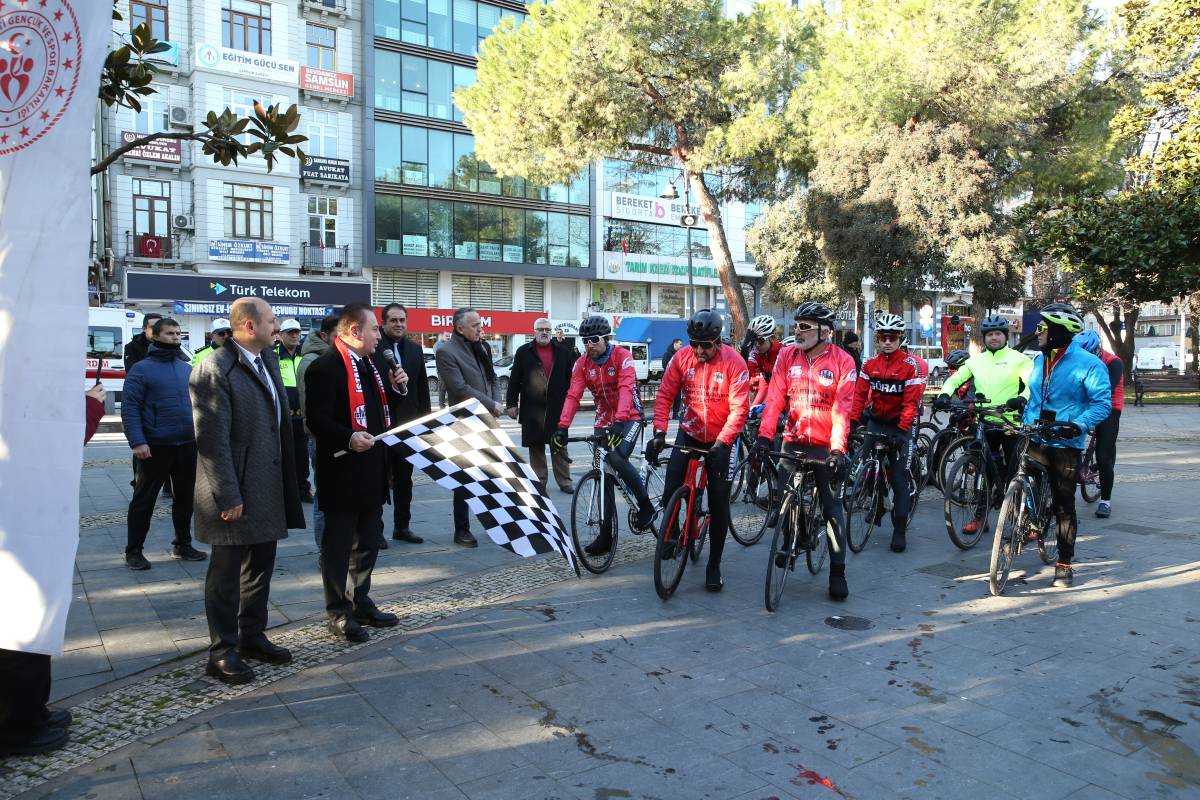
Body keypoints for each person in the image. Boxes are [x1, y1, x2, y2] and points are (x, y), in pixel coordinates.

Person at [190, 297, 306, 684]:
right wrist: (228, 495)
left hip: (266, 484)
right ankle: (221, 651)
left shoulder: (267, 360)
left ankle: (252, 636)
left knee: (260, 568)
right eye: (272, 322)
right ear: (250, 327)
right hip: (234, 490)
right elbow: (212, 440)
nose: (279, 328)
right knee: (225, 575)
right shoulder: (215, 367)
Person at [0, 386, 109, 756]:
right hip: (15, 526)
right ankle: (16, 724)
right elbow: (50, 443)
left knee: (34, 621)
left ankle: (31, 711)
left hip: (28, 521)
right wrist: (89, 408)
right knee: (18, 625)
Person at [306, 304, 403, 642]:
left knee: (368, 542)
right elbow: (316, 420)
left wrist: (396, 387)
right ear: (354, 331)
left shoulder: (373, 365)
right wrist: (348, 437)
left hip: (373, 470)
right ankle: (338, 611)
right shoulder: (325, 367)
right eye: (374, 328)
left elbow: (376, 411)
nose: (380, 334)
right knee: (338, 547)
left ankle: (361, 600)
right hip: (343, 472)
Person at [755, 302, 857, 600]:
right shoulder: (787, 356)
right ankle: (790, 539)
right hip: (795, 438)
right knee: (785, 497)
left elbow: (843, 410)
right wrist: (764, 437)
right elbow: (774, 399)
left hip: (825, 444)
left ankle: (837, 571)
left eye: (805, 326)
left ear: (825, 332)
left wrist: (837, 450)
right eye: (796, 326)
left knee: (830, 507)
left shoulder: (842, 361)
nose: (797, 332)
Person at [646, 309, 749, 592]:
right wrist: (658, 432)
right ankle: (675, 535)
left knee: (718, 503)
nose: (700, 350)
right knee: (670, 491)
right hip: (690, 431)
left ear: (718, 341)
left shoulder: (734, 363)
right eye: (695, 344)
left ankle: (714, 564)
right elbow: (665, 395)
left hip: (721, 438)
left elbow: (740, 410)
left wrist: (722, 443)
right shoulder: (682, 358)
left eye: (706, 345)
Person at [1023, 303, 1112, 588]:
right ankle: (1028, 513)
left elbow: (1102, 404)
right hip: (1036, 435)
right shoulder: (1039, 359)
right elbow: (1033, 396)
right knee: (1017, 473)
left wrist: (1080, 424)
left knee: (1064, 504)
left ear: (1059, 332)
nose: (1038, 333)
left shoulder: (1089, 364)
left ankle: (1064, 562)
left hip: (1066, 441)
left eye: (1043, 328)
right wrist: (1020, 409)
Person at [553, 316, 656, 554]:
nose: (589, 344)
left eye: (594, 339)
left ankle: (645, 506)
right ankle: (606, 535)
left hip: (629, 414)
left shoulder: (622, 356)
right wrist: (562, 426)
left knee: (617, 459)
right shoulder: (581, 364)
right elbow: (573, 395)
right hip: (604, 417)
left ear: (606, 338)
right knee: (603, 473)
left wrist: (620, 422)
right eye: (584, 340)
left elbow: (625, 388)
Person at [934, 315, 1033, 536]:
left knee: (1014, 472)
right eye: (990, 334)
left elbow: (1029, 385)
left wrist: (1022, 398)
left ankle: (1023, 518)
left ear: (1005, 336)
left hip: (1009, 422)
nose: (994, 338)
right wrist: (944, 394)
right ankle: (980, 518)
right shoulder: (976, 361)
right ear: (985, 338)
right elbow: (954, 379)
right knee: (983, 472)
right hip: (984, 421)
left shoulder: (1019, 359)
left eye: (998, 334)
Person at [121, 318, 206, 570]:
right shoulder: (141, 369)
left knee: (185, 499)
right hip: (154, 446)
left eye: (178, 333)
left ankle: (182, 544)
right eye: (170, 333)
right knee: (144, 500)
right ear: (155, 336)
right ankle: (134, 550)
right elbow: (130, 408)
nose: (175, 337)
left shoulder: (185, 368)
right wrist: (137, 441)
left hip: (186, 444)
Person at [850, 313, 924, 554]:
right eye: (883, 337)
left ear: (900, 339)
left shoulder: (910, 366)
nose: (887, 342)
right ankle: (876, 499)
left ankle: (899, 530)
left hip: (899, 425)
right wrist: (851, 422)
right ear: (878, 339)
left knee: (899, 479)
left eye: (892, 337)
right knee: (865, 462)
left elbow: (911, 403)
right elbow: (859, 396)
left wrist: (902, 430)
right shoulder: (870, 364)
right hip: (877, 422)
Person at [435, 308, 504, 547]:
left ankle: (498, 523)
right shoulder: (445, 351)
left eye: (480, 324)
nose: (480, 328)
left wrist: (497, 403)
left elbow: (493, 376)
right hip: (464, 422)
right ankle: (461, 529)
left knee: (493, 474)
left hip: (488, 419)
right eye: (474, 325)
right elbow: (459, 388)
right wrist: (491, 404)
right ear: (459, 328)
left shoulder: (482, 346)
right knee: (465, 477)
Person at [374, 303, 432, 544]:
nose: (398, 324)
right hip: (380, 425)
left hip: (408, 426)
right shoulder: (374, 349)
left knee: (404, 480)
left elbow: (422, 388)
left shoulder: (415, 350)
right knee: (377, 480)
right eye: (393, 320)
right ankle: (374, 531)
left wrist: (426, 422)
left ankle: (402, 526)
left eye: (402, 320)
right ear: (384, 322)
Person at [507, 318, 575, 494]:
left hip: (557, 407)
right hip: (532, 408)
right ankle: (539, 482)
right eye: (540, 329)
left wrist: (571, 403)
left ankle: (565, 481)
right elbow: (514, 380)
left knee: (559, 444)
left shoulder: (563, 351)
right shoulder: (523, 352)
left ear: (551, 332)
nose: (544, 332)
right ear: (534, 331)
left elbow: (571, 380)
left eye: (547, 329)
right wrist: (511, 404)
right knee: (536, 446)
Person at [298, 315, 337, 554]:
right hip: (321, 439)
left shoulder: (336, 358)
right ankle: (325, 550)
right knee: (324, 496)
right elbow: (311, 411)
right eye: (338, 336)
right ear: (324, 336)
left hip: (340, 437)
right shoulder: (312, 362)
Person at [1074, 330, 1123, 518]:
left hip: (1109, 405)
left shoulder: (1113, 362)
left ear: (1096, 349)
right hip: (1084, 403)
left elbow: (1105, 390)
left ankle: (1105, 501)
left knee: (1104, 457)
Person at [274, 319, 311, 503]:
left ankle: (303, 490)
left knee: (302, 456)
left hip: (301, 416)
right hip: (281, 417)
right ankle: (284, 493)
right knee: (283, 455)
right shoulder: (272, 355)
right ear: (281, 335)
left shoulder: (304, 355)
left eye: (297, 332)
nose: (295, 335)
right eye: (290, 332)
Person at [746, 314, 783, 406]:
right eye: (754, 341)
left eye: (760, 341)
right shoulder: (757, 353)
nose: (757, 345)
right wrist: (744, 349)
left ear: (772, 338)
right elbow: (744, 375)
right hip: (774, 401)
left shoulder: (783, 353)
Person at [662, 338, 685, 419]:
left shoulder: (679, 354)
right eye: (680, 344)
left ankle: (675, 414)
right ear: (675, 344)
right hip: (669, 381)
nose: (682, 346)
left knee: (678, 398)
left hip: (677, 380)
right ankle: (665, 415)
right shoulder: (667, 354)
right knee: (668, 398)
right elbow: (665, 366)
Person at [433, 330, 452, 407]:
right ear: (442, 336)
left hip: (450, 369)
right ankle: (441, 405)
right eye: (446, 336)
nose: (448, 337)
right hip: (441, 370)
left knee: (451, 387)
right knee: (442, 388)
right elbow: (438, 357)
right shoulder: (437, 345)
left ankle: (450, 404)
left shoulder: (450, 344)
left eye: (449, 336)